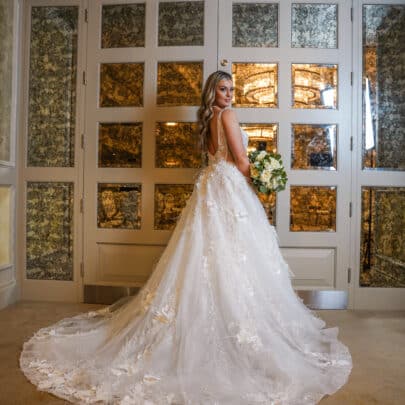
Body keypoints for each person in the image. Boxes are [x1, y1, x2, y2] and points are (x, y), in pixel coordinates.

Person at [20, 70, 352, 404]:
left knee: (211, 254)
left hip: (212, 188)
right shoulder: (229, 116)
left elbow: (219, 157)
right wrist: (267, 176)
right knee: (233, 256)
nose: (229, 94)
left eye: (231, 89)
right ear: (212, 92)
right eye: (223, 89)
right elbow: (240, 161)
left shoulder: (209, 120)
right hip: (230, 191)